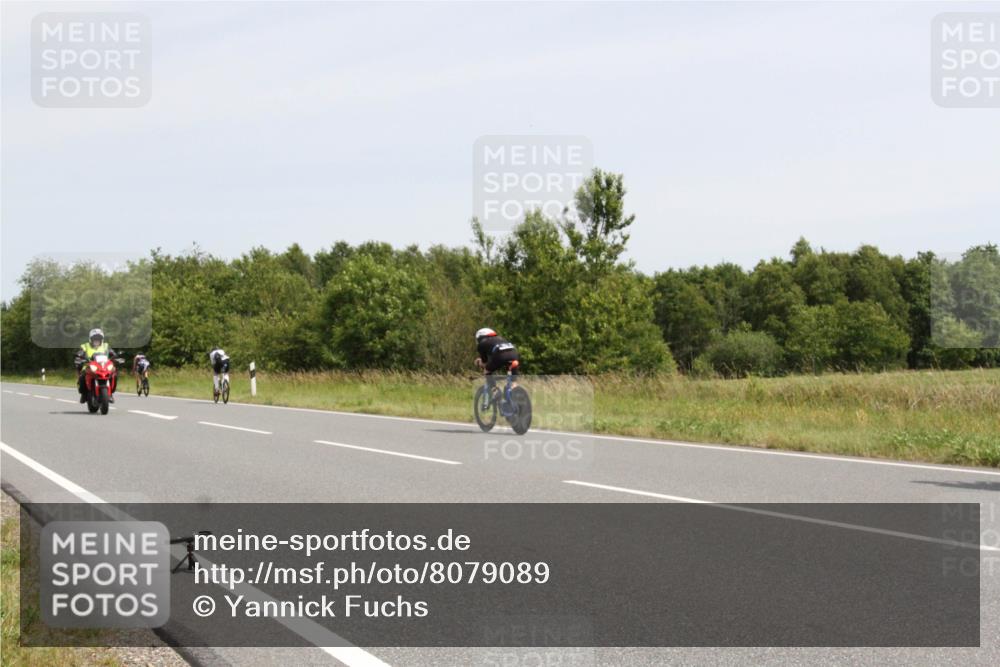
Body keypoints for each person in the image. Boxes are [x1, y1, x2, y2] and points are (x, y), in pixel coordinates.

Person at [74, 328, 119, 403]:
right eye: (95, 339)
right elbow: (80, 353)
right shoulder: (85, 346)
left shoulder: (106, 346)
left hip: (104, 366)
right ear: (91, 339)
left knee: (114, 374)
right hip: (89, 365)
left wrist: (116, 356)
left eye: (98, 339)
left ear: (102, 339)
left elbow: (112, 353)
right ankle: (84, 394)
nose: (96, 341)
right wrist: (80, 355)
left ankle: (110, 393)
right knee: (82, 376)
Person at [474, 328, 520, 392]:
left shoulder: (482, 344)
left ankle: (495, 392)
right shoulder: (501, 339)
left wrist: (479, 362)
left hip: (500, 356)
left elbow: (484, 362)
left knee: (487, 371)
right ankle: (515, 389)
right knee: (512, 381)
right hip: (514, 354)